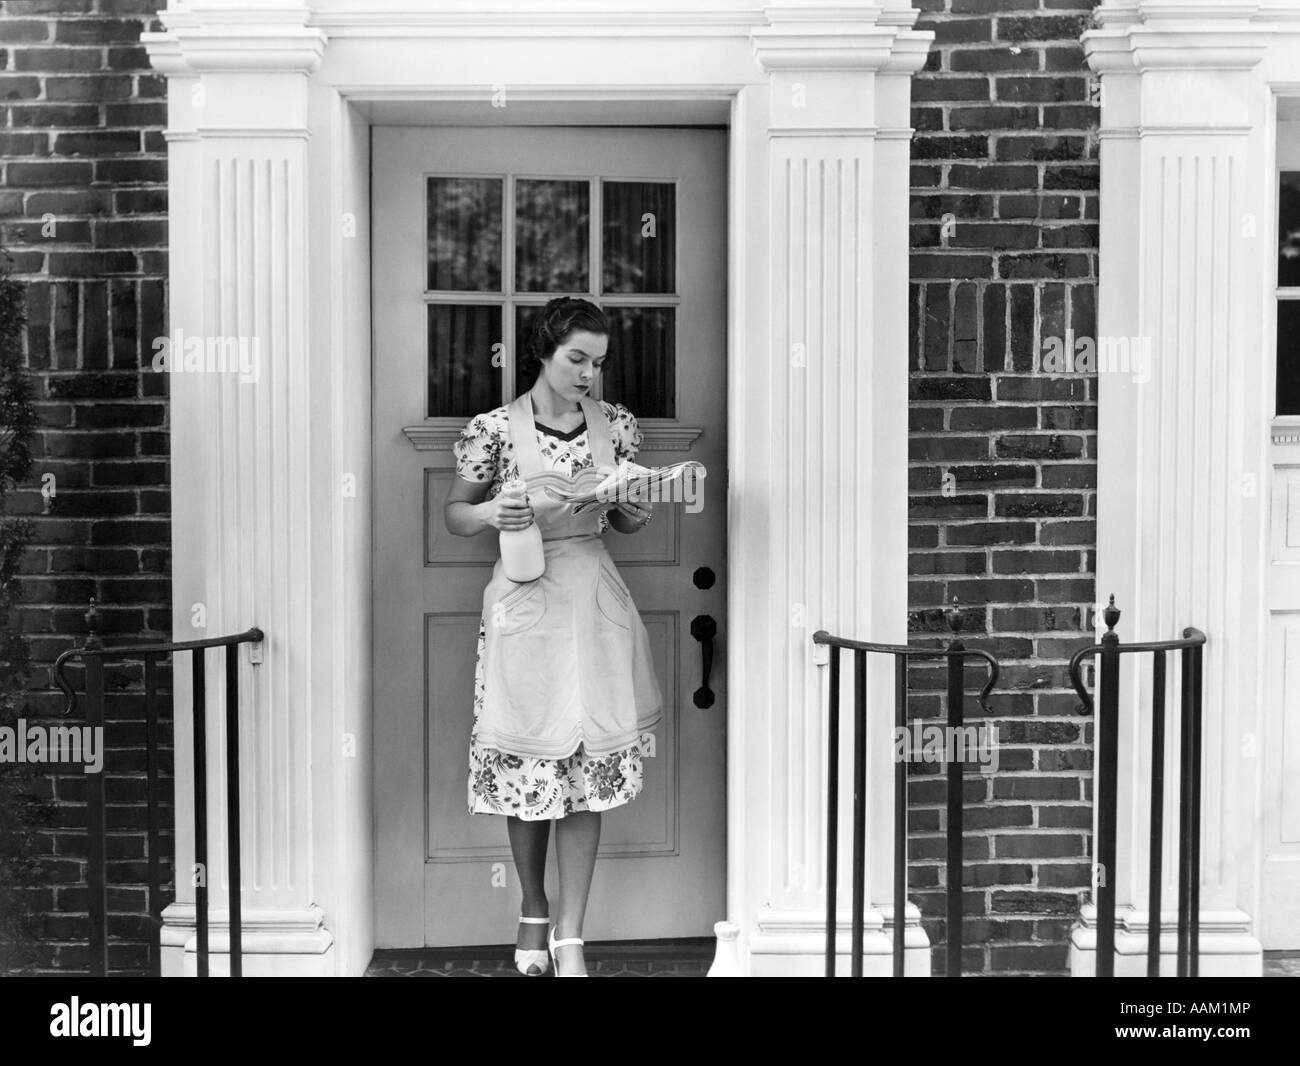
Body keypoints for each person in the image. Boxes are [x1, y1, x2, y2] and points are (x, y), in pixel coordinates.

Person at [443, 296, 663, 977]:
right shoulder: (495, 429)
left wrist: (630, 501)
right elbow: (454, 514)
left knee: (588, 770)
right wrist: (491, 510)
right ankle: (532, 908)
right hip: (524, 599)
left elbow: (628, 526)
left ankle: (571, 937)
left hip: (594, 602)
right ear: (543, 350)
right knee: (530, 766)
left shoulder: (615, 425)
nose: (588, 375)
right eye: (577, 359)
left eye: (598, 363)